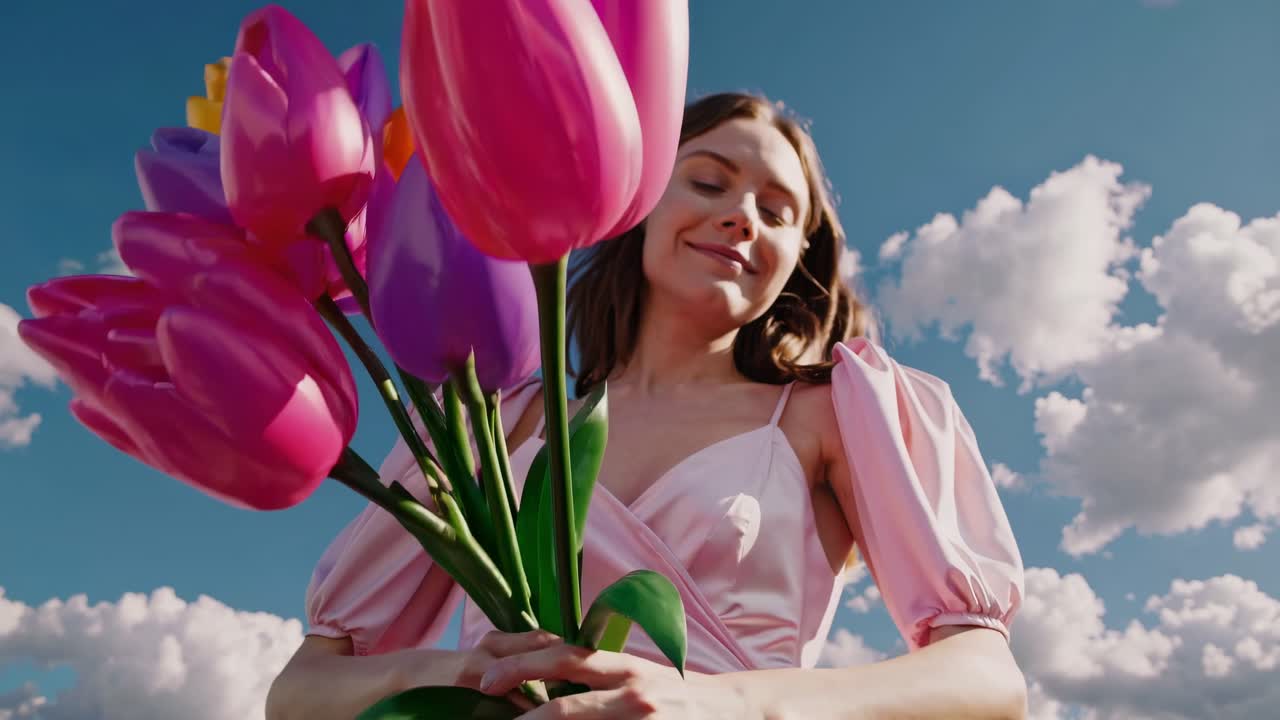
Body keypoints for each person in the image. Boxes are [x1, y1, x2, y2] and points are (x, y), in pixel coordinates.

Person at [266, 92, 1028, 720]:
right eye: (708, 181)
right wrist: (463, 672)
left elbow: (987, 680)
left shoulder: (832, 412)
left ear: (800, 259)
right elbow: (301, 691)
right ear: (638, 199)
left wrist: (725, 705)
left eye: (778, 210)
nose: (742, 216)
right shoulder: (497, 424)